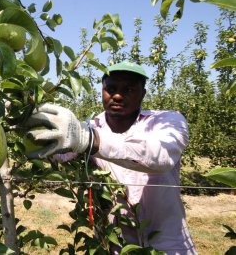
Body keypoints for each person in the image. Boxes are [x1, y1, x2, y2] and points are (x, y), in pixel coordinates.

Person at [24, 61, 197, 254]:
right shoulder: (88, 128)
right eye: (110, 89)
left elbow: (161, 157)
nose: (117, 95)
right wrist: (26, 120)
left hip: (167, 244)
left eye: (129, 89)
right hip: (114, 245)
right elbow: (60, 153)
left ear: (143, 94)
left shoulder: (167, 122)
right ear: (102, 91)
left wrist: (90, 140)